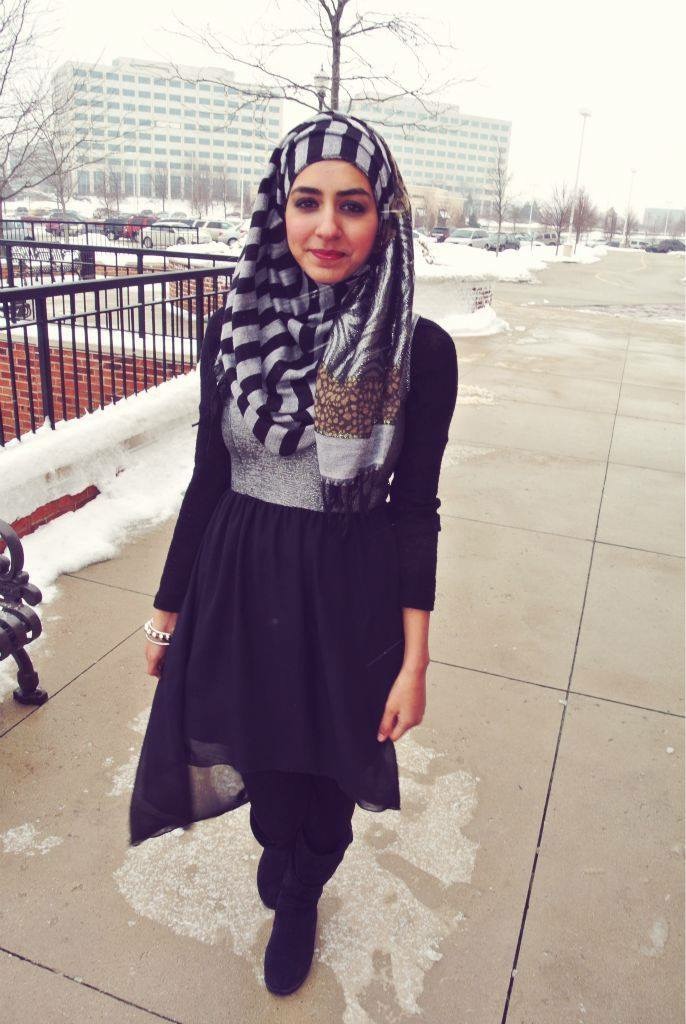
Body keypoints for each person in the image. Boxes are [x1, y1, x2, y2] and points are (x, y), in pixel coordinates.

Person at [129, 111, 458, 997]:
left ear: (384, 218)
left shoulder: (418, 351)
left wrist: (416, 661)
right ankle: (283, 852)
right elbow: (208, 480)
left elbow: (415, 509)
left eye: (353, 205)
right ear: (279, 210)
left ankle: (306, 888)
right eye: (307, 201)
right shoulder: (231, 334)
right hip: (241, 584)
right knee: (268, 767)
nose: (326, 227)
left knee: (334, 776)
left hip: (353, 590)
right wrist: (165, 612)